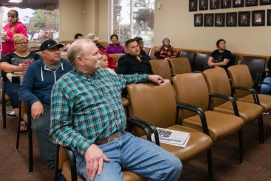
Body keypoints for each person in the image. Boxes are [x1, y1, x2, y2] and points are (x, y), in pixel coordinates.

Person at [49, 38, 182, 181]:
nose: (100, 56)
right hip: (96, 148)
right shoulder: (63, 86)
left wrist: (148, 76)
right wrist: (87, 147)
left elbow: (126, 78)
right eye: (95, 54)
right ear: (80, 60)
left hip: (125, 140)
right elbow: (58, 129)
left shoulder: (106, 74)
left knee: (172, 165)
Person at [18, 39, 73, 170]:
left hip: (66, 102)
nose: (57, 52)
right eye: (52, 50)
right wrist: (34, 100)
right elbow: (24, 89)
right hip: (44, 104)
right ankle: (56, 166)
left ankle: (77, 158)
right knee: (41, 125)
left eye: (58, 49)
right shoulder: (34, 68)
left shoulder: (67, 65)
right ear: (43, 53)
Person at [0, 34, 40, 130]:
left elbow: (41, 66)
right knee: (16, 93)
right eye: (21, 43)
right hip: (14, 82)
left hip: (32, 82)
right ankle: (23, 119)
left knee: (39, 92)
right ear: (15, 45)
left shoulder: (35, 55)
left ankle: (36, 116)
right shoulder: (9, 56)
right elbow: (2, 66)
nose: (23, 44)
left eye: (25, 42)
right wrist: (17, 68)